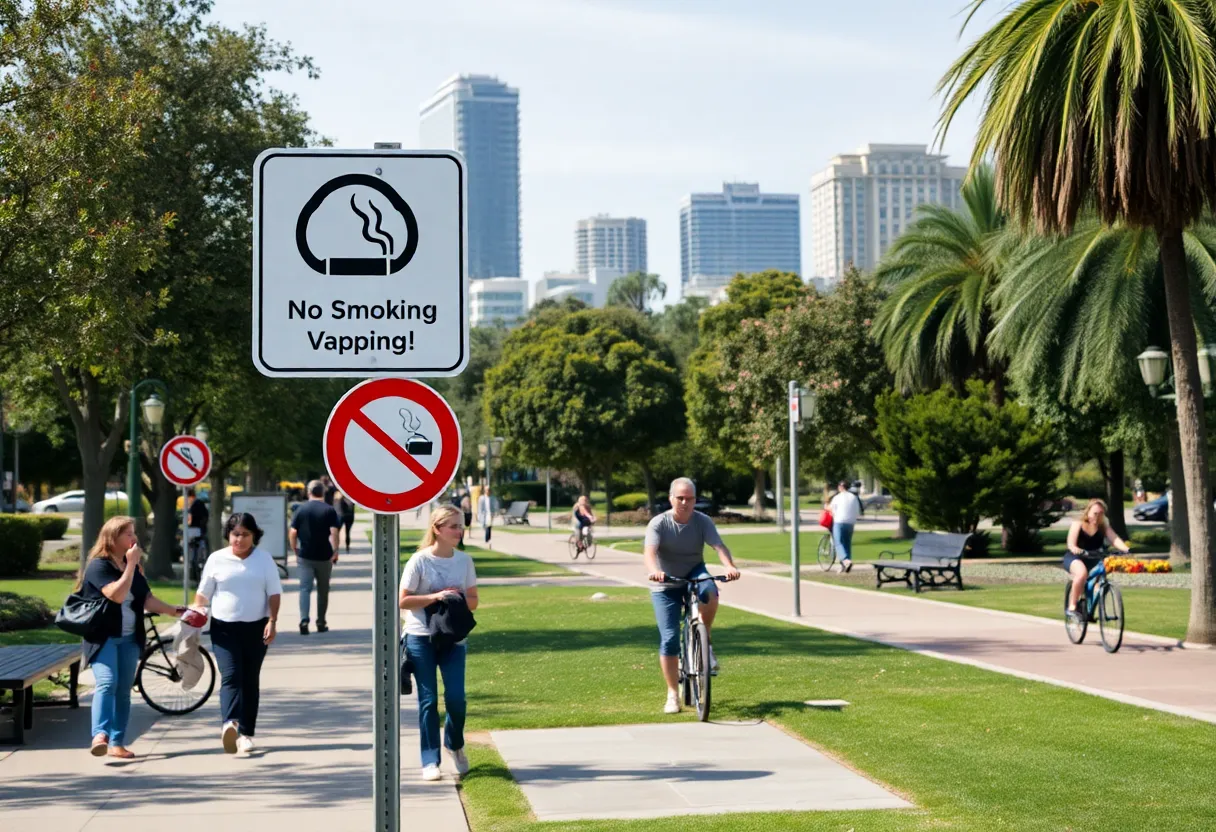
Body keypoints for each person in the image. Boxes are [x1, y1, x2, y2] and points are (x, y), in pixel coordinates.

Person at [78, 516, 187, 758]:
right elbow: (115, 595)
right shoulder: (99, 566)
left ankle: (117, 742)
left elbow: (147, 599)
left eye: (133, 533)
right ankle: (100, 735)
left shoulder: (133, 567)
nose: (134, 538)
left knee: (123, 690)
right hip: (103, 637)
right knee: (107, 682)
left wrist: (176, 611)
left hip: (129, 637)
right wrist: (130, 566)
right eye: (128, 533)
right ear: (112, 538)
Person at [644, 477, 740, 715]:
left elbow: (718, 546)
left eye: (689, 498)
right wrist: (654, 571)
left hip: (694, 572)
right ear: (671, 499)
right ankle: (672, 694)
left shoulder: (702, 521)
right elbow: (650, 552)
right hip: (666, 581)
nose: (685, 502)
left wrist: (729, 566)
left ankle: (705, 639)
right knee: (669, 638)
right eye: (680, 498)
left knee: (710, 590)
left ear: (696, 500)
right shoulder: (659, 523)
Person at [398, 505, 479, 782]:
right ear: (437, 529)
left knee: (456, 699)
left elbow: (474, 601)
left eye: (461, 526)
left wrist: (455, 598)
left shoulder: (464, 561)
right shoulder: (419, 561)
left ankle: (454, 744)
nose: (459, 531)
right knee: (429, 700)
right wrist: (436, 596)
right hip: (420, 636)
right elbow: (403, 601)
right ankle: (430, 760)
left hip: (453, 637)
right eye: (453, 526)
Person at [193, 512, 282, 755]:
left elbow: (274, 593)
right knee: (231, 676)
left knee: (250, 680)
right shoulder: (216, 559)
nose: (239, 539)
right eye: (235, 534)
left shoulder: (264, 560)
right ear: (228, 535)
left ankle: (246, 734)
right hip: (224, 628)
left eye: (245, 534)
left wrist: (272, 621)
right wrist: (197, 611)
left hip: (256, 628)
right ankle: (229, 723)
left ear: (254, 536)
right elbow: (203, 593)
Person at [1064, 498, 1130, 621]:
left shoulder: (1103, 526)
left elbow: (1114, 539)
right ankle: (1072, 606)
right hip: (1075, 557)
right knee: (1081, 574)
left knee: (1101, 577)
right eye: (1095, 513)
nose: (1097, 516)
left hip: (1093, 557)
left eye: (1101, 514)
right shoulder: (1078, 524)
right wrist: (1075, 548)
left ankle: (1090, 609)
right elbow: (1071, 543)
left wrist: (1126, 549)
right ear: (1088, 512)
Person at [289, 480, 341, 635]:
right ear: (323, 492)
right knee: (323, 590)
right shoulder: (329, 510)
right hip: (324, 556)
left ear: (308, 492)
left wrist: (294, 548)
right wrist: (335, 550)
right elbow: (334, 532)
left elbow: (293, 532)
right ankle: (321, 621)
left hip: (305, 555)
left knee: (304, 588)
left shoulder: (300, 509)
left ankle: (304, 619)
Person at [828, 480, 862, 573]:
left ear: (841, 487)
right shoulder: (854, 497)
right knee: (847, 543)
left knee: (838, 542)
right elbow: (857, 511)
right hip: (850, 523)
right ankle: (846, 564)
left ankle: (845, 560)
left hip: (839, 521)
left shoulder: (837, 497)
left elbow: (831, 509)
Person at [334, 489, 356, 554]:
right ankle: (347, 547)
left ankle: (337, 547)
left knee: (337, 532)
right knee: (347, 532)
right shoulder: (350, 496)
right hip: (348, 515)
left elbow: (335, 506)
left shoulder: (338, 495)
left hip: (341, 515)